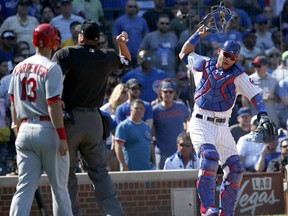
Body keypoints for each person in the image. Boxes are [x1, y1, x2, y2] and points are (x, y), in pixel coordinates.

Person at [179, 24, 272, 215]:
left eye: (233, 57)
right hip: (200, 121)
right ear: (220, 51)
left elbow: (255, 95)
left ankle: (226, 213)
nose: (228, 59)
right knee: (210, 157)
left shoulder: (238, 75)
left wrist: (262, 114)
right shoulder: (203, 63)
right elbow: (184, 53)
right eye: (226, 54)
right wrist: (197, 34)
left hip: (223, 126)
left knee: (236, 170)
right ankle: (207, 208)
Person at [51, 19, 130, 216]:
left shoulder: (67, 53)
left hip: (70, 120)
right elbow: (127, 61)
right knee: (99, 171)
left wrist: (57, 98)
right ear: (97, 39)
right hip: (94, 121)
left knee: (66, 172)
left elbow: (51, 77)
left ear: (80, 36)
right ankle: (114, 213)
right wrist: (121, 43)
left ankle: (71, 213)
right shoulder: (106, 56)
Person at [8, 23, 72, 216]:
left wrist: (17, 127)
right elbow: (53, 105)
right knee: (59, 189)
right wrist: (62, 137)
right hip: (48, 130)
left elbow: (13, 103)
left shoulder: (18, 67)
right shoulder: (51, 67)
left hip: (25, 129)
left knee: (24, 188)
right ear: (54, 43)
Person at [152, 78, 190, 169]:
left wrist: (188, 132)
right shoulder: (155, 110)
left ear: (174, 93)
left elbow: (188, 120)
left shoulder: (181, 106)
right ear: (161, 93)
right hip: (162, 152)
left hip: (180, 151)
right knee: (161, 179)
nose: (168, 94)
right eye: (165, 92)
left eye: (170, 92)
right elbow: (151, 127)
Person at [114, 99, 155, 171]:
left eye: (141, 108)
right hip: (130, 169)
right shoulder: (123, 126)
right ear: (131, 110)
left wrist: (154, 163)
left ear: (144, 111)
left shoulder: (146, 126)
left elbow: (150, 146)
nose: (139, 110)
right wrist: (123, 165)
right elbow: (118, 148)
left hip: (147, 169)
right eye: (136, 108)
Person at [140, 14, 179, 79]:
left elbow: (177, 54)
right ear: (157, 24)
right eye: (162, 23)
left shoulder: (174, 37)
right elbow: (141, 52)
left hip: (170, 74)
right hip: (153, 74)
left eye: (167, 24)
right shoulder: (149, 37)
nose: (164, 25)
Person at [112, 0, 149, 67]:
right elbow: (115, 37)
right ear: (126, 7)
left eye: (135, 7)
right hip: (125, 54)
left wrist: (143, 51)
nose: (132, 8)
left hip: (139, 53)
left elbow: (146, 37)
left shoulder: (142, 21)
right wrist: (121, 51)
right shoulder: (119, 21)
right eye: (130, 6)